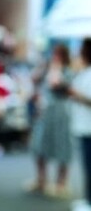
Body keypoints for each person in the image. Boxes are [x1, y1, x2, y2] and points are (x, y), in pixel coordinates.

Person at [29, 44, 73, 198]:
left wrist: (56, 71)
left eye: (59, 54)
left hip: (61, 114)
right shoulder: (46, 68)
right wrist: (44, 67)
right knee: (39, 146)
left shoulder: (68, 71)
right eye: (54, 53)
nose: (55, 57)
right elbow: (34, 80)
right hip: (44, 113)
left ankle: (61, 183)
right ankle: (41, 180)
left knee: (62, 146)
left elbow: (59, 86)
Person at [70, 39, 91, 211]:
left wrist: (77, 94)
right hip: (84, 127)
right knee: (86, 165)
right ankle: (87, 199)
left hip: (88, 127)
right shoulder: (84, 71)